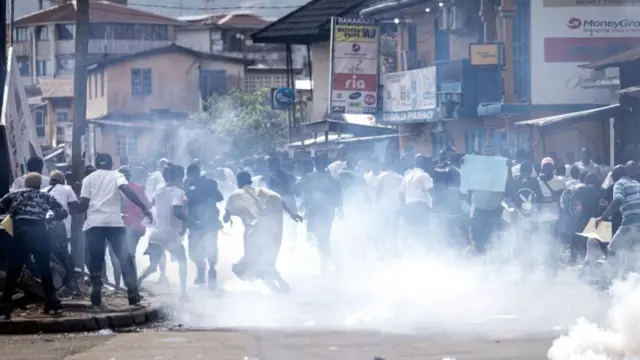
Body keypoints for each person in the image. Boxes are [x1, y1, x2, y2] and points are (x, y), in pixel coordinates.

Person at [77, 153, 152, 307]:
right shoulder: (117, 175)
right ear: (111, 165)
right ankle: (133, 296)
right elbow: (127, 190)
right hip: (114, 223)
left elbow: (83, 205)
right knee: (125, 258)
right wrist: (143, 207)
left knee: (96, 259)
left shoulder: (88, 179)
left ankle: (96, 293)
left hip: (94, 224)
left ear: (97, 165)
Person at [0, 173, 67, 319]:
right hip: (39, 232)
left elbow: (1, 207)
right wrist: (50, 218)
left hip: (20, 233)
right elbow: (63, 213)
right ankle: (52, 305)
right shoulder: (46, 197)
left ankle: (4, 310)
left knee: (13, 272)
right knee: (45, 269)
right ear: (39, 185)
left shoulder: (14, 195)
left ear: (26, 183)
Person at [224, 171, 302, 293]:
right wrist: (292, 213)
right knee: (266, 262)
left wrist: (227, 216)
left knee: (255, 264)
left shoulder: (236, 195)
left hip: (254, 234)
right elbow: (280, 200)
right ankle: (281, 285)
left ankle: (277, 289)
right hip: (273, 233)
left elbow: (227, 214)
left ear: (238, 182)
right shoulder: (266, 191)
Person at [139, 164, 192, 300]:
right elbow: (176, 210)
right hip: (170, 235)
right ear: (179, 177)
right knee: (182, 261)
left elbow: (153, 203)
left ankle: (136, 283)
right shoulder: (178, 192)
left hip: (157, 233)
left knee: (153, 266)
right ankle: (183, 293)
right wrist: (191, 222)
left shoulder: (159, 189)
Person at [297, 154, 342, 272]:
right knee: (319, 236)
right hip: (320, 212)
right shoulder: (328, 178)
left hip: (319, 212)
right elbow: (337, 197)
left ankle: (326, 258)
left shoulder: (312, 177)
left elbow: (299, 189)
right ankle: (326, 257)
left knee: (318, 236)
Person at [594, 162, 640, 273]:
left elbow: (618, 200)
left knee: (611, 250)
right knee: (632, 253)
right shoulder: (636, 183)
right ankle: (630, 283)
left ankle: (611, 278)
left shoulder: (619, 183)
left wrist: (602, 217)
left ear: (614, 176)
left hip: (630, 223)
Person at [184, 163, 223, 289]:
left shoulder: (209, 183)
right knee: (194, 251)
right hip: (196, 223)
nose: (190, 176)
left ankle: (211, 273)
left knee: (210, 248)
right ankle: (201, 272)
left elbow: (218, 197)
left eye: (190, 174)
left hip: (209, 223)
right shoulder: (188, 185)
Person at [43, 170, 82, 295]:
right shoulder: (67, 189)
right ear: (62, 180)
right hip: (61, 226)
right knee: (64, 254)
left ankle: (56, 285)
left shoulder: (42, 191)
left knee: (51, 255)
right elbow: (77, 208)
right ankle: (67, 284)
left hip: (44, 227)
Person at [264, 155, 298, 242]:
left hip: (280, 206)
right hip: (285, 206)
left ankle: (291, 247)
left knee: (286, 230)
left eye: (270, 164)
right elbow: (296, 192)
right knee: (289, 230)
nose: (269, 166)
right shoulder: (290, 176)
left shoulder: (269, 178)